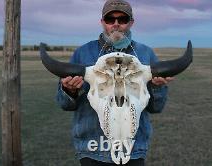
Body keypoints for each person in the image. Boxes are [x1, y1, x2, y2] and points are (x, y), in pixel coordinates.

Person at [56, 0, 174, 165]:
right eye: (110, 19)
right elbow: (64, 104)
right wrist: (69, 90)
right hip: (91, 149)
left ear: (131, 22)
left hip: (134, 150)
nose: (116, 24)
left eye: (122, 19)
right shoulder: (82, 54)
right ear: (102, 22)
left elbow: (156, 108)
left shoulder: (146, 54)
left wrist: (156, 87)